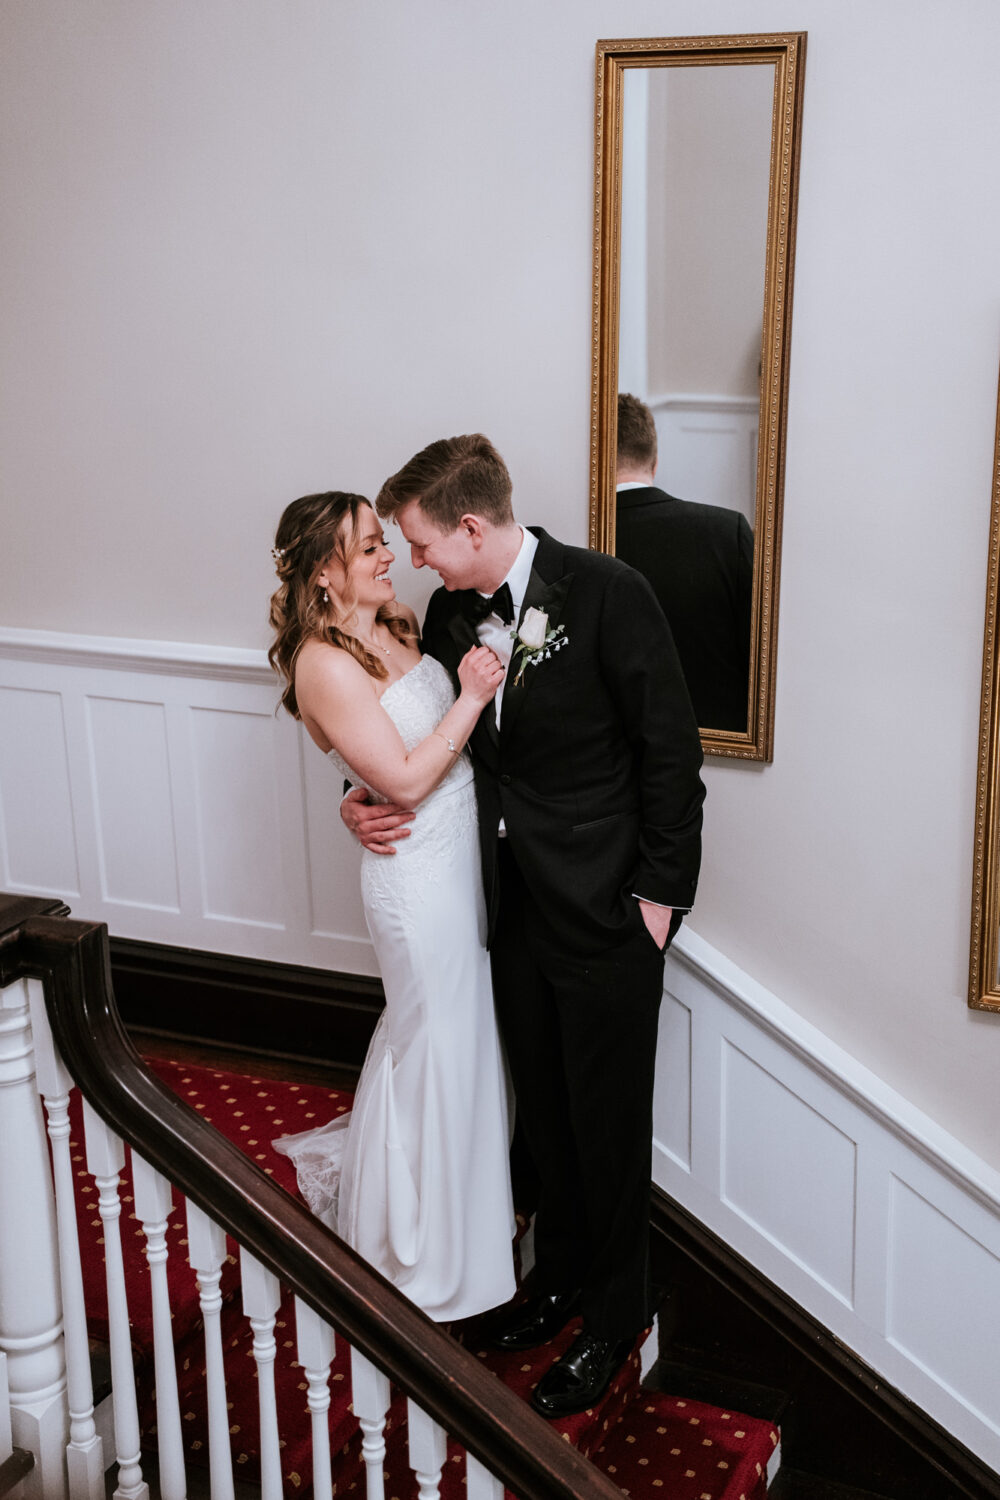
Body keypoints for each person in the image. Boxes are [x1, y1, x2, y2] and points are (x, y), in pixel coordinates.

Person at [342, 435, 705, 1417]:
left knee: (607, 1128)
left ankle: (614, 1317)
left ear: (470, 527)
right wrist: (357, 795)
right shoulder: (452, 610)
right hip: (501, 909)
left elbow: (670, 755)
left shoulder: (608, 592)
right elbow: (422, 735)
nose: (414, 563)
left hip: (607, 916)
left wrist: (659, 902)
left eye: (422, 543)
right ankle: (553, 1283)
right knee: (542, 1116)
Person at [267, 490, 516, 1322]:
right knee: (433, 1040)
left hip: (460, 860)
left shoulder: (403, 624)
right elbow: (403, 778)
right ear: (324, 573)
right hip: (413, 877)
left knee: (462, 1035)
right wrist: (472, 697)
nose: (386, 558)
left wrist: (352, 791)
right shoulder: (321, 663)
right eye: (369, 547)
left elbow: (378, 763)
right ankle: (417, 1249)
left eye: (381, 542)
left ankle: (469, 1231)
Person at [615, 392, 754, 733]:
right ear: (655, 461)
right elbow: (758, 654)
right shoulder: (727, 532)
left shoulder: (575, 542)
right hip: (721, 735)